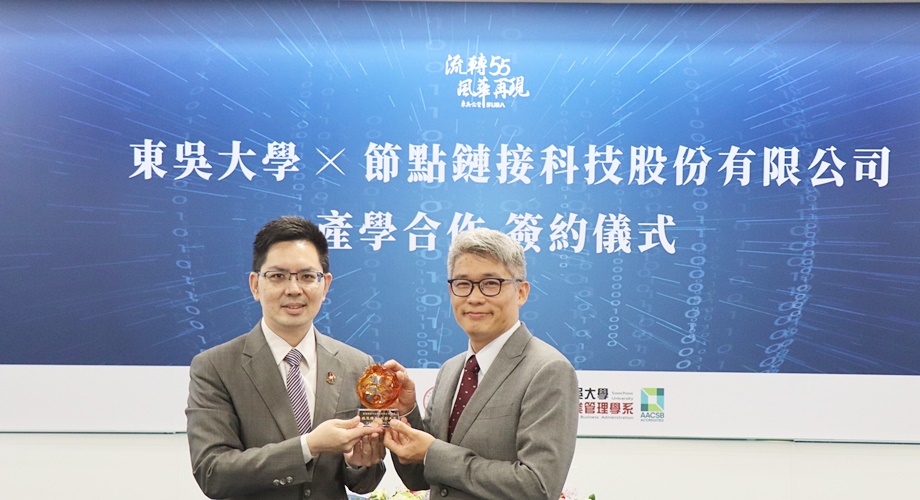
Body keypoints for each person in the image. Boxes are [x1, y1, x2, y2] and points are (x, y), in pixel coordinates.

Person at [186, 216, 386, 500]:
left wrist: (358, 463)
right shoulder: (215, 367)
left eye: (307, 276)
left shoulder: (358, 365)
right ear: (255, 285)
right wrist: (308, 446)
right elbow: (213, 473)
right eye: (278, 276)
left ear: (325, 286)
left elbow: (365, 483)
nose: (294, 289)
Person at [382, 227, 579, 499]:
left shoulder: (548, 370)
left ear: (521, 292)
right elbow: (420, 476)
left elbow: (537, 486)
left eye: (490, 283)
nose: (474, 298)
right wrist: (406, 412)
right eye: (463, 284)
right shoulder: (450, 369)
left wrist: (432, 452)